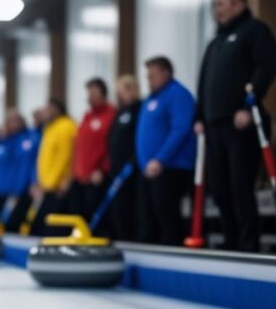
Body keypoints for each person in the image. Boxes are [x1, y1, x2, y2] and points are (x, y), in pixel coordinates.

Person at [195, 0, 276, 252]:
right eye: (214, 5)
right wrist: (199, 117)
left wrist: (247, 105)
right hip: (214, 126)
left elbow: (266, 66)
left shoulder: (254, 31)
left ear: (239, 3)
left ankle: (248, 245)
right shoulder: (216, 42)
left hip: (241, 123)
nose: (216, 10)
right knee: (219, 189)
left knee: (240, 186)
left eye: (221, 3)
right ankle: (231, 242)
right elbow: (204, 83)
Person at [137, 56, 196, 246]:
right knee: (150, 221)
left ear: (166, 72)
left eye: (152, 76)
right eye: (147, 76)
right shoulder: (151, 99)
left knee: (168, 219)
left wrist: (160, 159)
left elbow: (180, 129)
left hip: (172, 167)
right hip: (150, 170)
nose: (149, 80)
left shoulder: (178, 94)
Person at [71, 78, 116, 222]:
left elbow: (113, 146)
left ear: (102, 93)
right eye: (88, 93)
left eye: (93, 92)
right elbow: (79, 147)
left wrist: (103, 169)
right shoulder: (86, 117)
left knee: (98, 218)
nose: (89, 97)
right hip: (81, 177)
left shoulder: (111, 115)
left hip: (98, 177)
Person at [31, 99, 77, 236]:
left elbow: (66, 157)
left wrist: (58, 181)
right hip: (48, 186)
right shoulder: (50, 128)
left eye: (47, 110)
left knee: (53, 228)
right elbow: (45, 159)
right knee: (42, 227)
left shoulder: (66, 126)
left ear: (56, 109)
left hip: (59, 186)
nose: (44, 113)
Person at [107, 75, 142, 241]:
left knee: (131, 208)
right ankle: (121, 239)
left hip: (131, 169)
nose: (121, 94)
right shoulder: (119, 112)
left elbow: (139, 138)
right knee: (117, 209)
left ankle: (132, 240)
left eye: (125, 90)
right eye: (119, 91)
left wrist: (133, 161)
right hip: (116, 169)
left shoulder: (139, 109)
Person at [0, 109, 39, 231]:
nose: (11, 124)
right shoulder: (2, 142)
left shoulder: (31, 137)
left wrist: (33, 182)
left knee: (16, 224)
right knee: (1, 224)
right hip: (2, 193)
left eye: (15, 120)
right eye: (8, 121)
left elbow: (33, 162)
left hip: (24, 191)